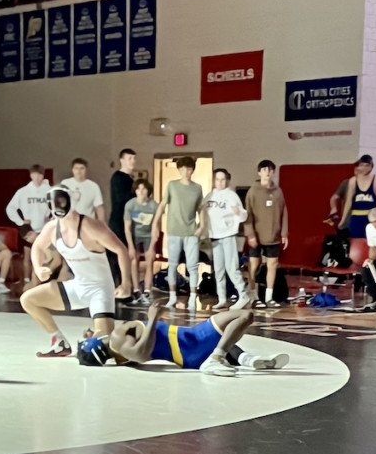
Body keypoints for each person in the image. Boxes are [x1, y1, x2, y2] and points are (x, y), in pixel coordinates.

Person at [20, 186, 131, 357]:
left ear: (70, 200)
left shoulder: (90, 226)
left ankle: (102, 331)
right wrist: (37, 267)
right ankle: (59, 342)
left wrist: (126, 284)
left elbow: (121, 250)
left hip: (99, 290)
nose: (57, 206)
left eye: (60, 201)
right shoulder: (52, 228)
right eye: (53, 203)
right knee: (28, 299)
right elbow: (37, 247)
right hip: (77, 287)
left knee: (104, 346)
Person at [78, 304, 288, 378]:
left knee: (226, 337)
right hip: (190, 342)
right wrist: (152, 319)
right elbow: (141, 353)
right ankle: (216, 358)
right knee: (244, 316)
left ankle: (247, 360)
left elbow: (138, 354)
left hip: (188, 351)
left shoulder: (119, 355)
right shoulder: (116, 339)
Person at [153, 157, 205, 311]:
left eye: (189, 169)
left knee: (192, 265)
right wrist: (155, 224)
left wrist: (202, 226)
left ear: (192, 170)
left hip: (190, 231)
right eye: (183, 169)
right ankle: (172, 296)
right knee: (173, 264)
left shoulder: (197, 188)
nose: (186, 172)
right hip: (174, 230)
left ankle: (193, 298)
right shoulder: (172, 185)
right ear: (179, 170)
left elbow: (200, 208)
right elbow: (163, 204)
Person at [202, 168, 250, 310]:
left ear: (227, 180)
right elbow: (202, 208)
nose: (220, 182)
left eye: (222, 179)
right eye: (217, 179)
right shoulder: (210, 195)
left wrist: (238, 212)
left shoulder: (231, 195)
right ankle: (222, 298)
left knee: (231, 267)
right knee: (218, 269)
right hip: (214, 236)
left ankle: (243, 295)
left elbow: (243, 216)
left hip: (228, 235)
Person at [245, 160, 289, 308]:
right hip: (256, 236)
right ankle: (253, 296)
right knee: (254, 265)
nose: (267, 172)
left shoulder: (278, 191)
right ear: (259, 172)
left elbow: (284, 212)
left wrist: (284, 233)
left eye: (270, 170)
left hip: (273, 236)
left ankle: (269, 297)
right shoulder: (253, 191)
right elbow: (247, 214)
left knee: (272, 265)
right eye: (264, 170)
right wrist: (250, 234)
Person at [5, 165, 51, 286]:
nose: (37, 178)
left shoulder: (49, 191)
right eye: (34, 175)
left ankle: (40, 280)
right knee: (27, 257)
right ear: (31, 175)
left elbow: (56, 208)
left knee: (43, 256)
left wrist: (51, 220)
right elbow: (10, 208)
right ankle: (26, 280)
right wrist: (20, 222)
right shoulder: (23, 191)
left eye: (39, 175)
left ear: (43, 176)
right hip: (29, 230)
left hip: (44, 230)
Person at [124, 178, 158, 305]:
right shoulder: (130, 205)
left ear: (148, 190)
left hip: (148, 236)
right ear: (135, 191)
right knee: (134, 261)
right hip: (135, 235)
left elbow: (156, 227)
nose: (141, 192)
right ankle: (137, 290)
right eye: (139, 189)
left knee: (150, 261)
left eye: (144, 189)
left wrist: (152, 246)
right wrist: (130, 246)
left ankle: (148, 290)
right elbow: (127, 228)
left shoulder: (154, 205)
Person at [107, 149, 137, 287]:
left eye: (133, 158)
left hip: (128, 221)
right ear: (122, 160)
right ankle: (117, 286)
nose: (132, 161)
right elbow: (122, 200)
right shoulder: (118, 178)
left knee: (128, 255)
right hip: (118, 222)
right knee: (118, 255)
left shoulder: (130, 179)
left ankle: (127, 287)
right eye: (129, 158)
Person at [342, 154, 376, 240]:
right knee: (356, 242)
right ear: (358, 166)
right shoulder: (353, 181)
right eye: (362, 165)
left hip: (372, 219)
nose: (364, 168)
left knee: (372, 242)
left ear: (371, 167)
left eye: (367, 165)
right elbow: (348, 201)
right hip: (356, 218)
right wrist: (343, 220)